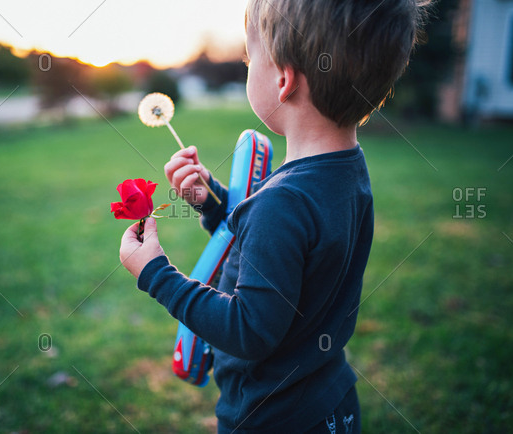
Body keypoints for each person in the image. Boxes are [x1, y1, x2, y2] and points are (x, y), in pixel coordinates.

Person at [119, 0, 430, 432]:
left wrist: (155, 273)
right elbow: (285, 251)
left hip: (271, 417)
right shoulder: (346, 172)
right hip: (330, 401)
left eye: (250, 58)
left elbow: (248, 330)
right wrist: (210, 201)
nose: (247, 66)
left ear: (283, 80)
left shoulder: (282, 202)